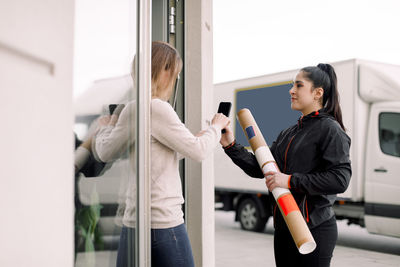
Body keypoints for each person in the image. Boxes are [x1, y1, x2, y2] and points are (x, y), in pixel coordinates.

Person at [92, 41, 230, 267]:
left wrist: (106, 127)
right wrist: (216, 126)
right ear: (164, 71)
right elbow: (199, 151)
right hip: (164, 224)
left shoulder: (132, 108)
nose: (175, 80)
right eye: (175, 73)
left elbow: (105, 151)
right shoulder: (158, 108)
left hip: (133, 223)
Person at [220, 63, 351, 267]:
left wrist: (289, 180)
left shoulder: (331, 130)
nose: (291, 90)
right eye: (292, 85)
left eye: (298, 85)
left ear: (317, 93)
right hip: (284, 227)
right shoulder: (289, 132)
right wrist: (231, 146)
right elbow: (260, 167)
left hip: (313, 229)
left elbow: (339, 179)